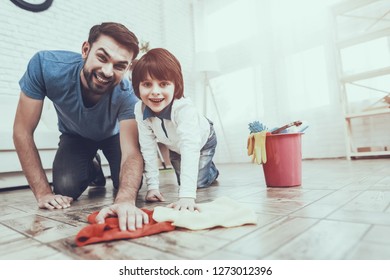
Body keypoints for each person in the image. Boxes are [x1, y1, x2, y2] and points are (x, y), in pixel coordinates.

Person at [13, 22, 148, 231]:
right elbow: (22, 131)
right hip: (75, 135)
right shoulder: (45, 66)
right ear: (86, 50)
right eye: (102, 57)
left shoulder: (128, 93)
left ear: (128, 67)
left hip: (114, 136)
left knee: (131, 186)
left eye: (120, 65)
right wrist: (43, 193)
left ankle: (101, 167)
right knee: (66, 186)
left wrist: (125, 200)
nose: (107, 71)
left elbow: (131, 152)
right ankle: (93, 167)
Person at [132, 48, 219, 211]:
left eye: (163, 84)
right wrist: (152, 187)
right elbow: (148, 148)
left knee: (197, 184)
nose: (155, 92)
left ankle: (211, 171)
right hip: (174, 144)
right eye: (147, 84)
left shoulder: (184, 109)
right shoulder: (140, 109)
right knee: (184, 179)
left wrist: (186, 197)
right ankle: (203, 166)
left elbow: (190, 147)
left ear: (175, 85)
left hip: (202, 139)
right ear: (137, 86)